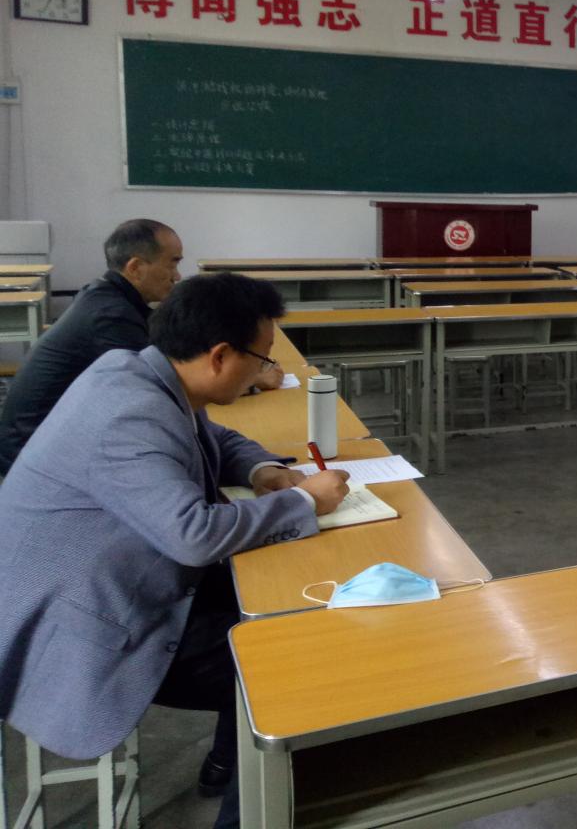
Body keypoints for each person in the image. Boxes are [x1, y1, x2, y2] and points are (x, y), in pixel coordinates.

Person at [0, 273, 350, 829]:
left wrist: (262, 470)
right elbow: (195, 534)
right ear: (220, 356)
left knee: (287, 605)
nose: (265, 371)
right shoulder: (129, 414)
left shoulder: (142, 373)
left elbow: (215, 439)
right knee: (286, 668)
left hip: (124, 575)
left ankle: (227, 763)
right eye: (262, 358)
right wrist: (305, 502)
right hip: (88, 625)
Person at [0, 219, 281, 477]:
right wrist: (252, 378)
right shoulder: (110, 317)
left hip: (57, 438)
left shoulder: (112, 298)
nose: (177, 276)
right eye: (172, 263)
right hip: (34, 451)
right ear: (135, 268)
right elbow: (177, 378)